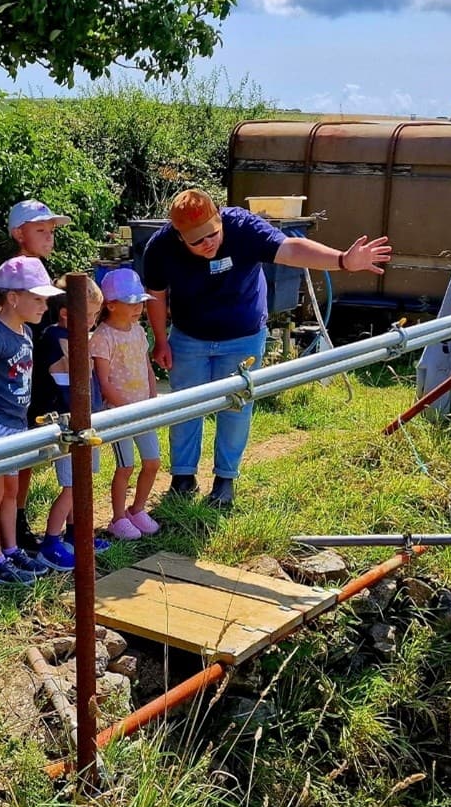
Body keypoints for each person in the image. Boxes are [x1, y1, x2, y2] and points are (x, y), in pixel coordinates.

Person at [145, 189, 391, 506]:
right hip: (189, 336)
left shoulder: (243, 227)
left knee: (236, 406)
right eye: (196, 241)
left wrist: (343, 260)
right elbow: (156, 293)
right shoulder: (160, 247)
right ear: (180, 237)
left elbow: (290, 249)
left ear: (220, 219)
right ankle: (182, 477)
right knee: (186, 406)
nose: (207, 243)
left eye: (212, 234)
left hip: (242, 335)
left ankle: (225, 481)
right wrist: (161, 340)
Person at [0, 199, 72, 571]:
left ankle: (11, 536)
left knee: (16, 470)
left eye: (52, 231)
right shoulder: (2, 273)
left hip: (24, 384)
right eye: (41, 230)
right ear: (18, 232)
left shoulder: (36, 271)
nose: (49, 238)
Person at [36, 274, 106, 570]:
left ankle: (77, 534)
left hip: (87, 419)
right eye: (89, 315)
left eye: (96, 315)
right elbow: (50, 384)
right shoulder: (53, 339)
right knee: (71, 485)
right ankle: (50, 542)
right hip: (67, 424)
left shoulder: (79, 338)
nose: (93, 321)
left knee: (83, 482)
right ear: (66, 314)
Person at [89, 268, 162, 540]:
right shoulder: (103, 337)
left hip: (143, 411)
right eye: (132, 303)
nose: (139, 308)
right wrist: (126, 408)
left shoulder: (138, 332)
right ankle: (118, 517)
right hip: (119, 415)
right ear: (110, 305)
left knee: (153, 462)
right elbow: (104, 381)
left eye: (140, 302)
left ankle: (137, 509)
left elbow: (146, 367)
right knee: (126, 466)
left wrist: (152, 399)